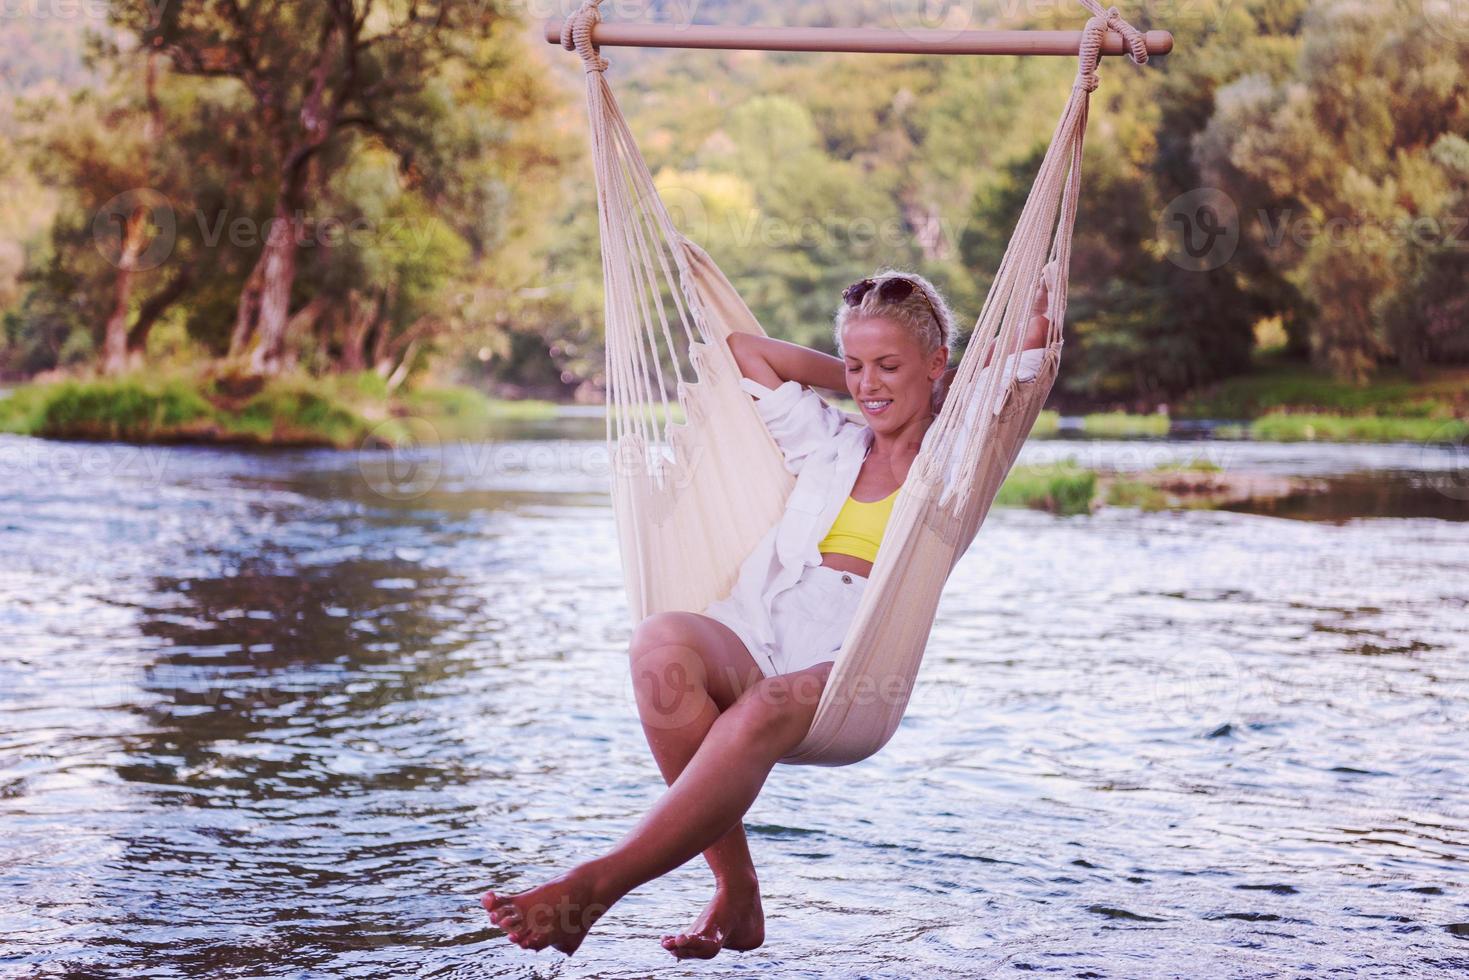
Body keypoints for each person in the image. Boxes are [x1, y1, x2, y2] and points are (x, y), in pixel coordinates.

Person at [482, 266, 1056, 958]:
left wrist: (943, 384)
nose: (867, 385)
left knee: (761, 709)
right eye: (854, 366)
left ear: (936, 365)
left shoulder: (957, 454)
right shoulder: (829, 439)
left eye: (887, 367)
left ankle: (594, 887)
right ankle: (738, 891)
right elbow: (743, 351)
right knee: (658, 644)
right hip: (764, 622)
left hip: (854, 657)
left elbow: (1032, 348)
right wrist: (859, 373)